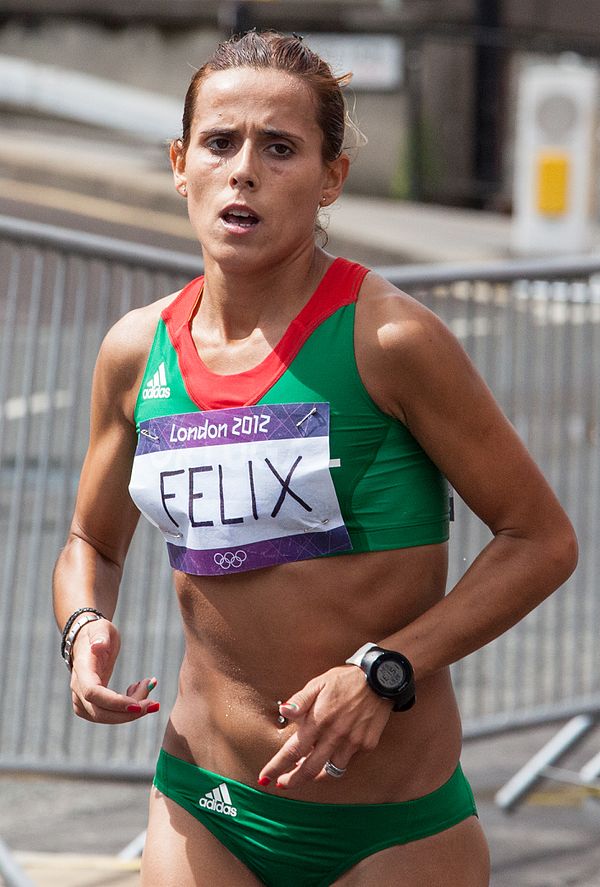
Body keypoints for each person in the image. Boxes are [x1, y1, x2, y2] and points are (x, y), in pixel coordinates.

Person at [53, 30, 577, 887]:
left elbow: (541, 539)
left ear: (332, 177)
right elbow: (92, 543)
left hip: (390, 832)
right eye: (220, 143)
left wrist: (386, 669)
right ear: (181, 163)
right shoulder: (135, 349)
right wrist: (82, 627)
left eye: (281, 147)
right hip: (203, 804)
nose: (244, 169)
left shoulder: (391, 338)